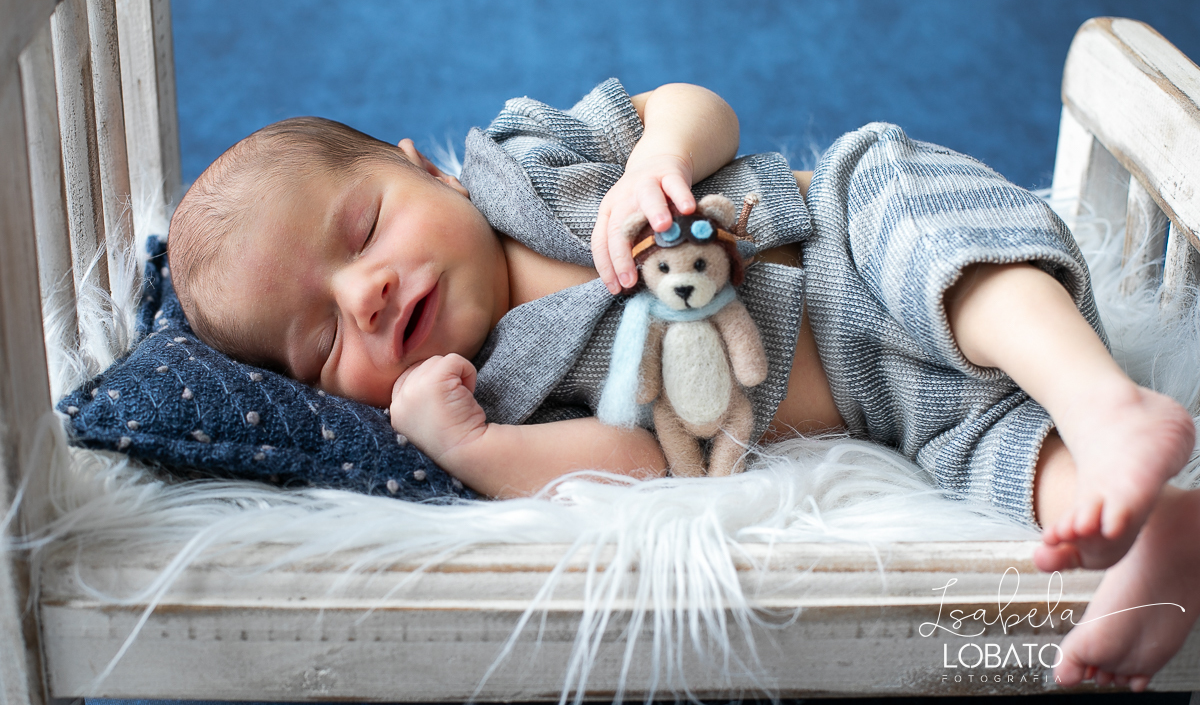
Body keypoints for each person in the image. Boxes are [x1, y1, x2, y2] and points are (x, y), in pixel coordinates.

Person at [168, 80, 1198, 690]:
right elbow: (638, 464)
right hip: (892, 403)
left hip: (859, 233)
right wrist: (471, 448)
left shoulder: (527, 161)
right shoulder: (502, 394)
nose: (371, 293)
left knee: (928, 238)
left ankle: (1101, 398)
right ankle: (1158, 535)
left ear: (422, 169)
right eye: (319, 341)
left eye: (361, 231)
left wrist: (654, 156)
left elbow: (695, 102)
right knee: (1002, 465)